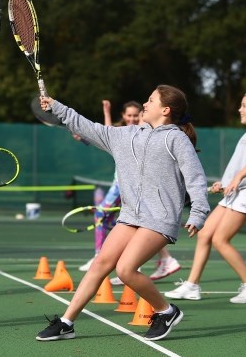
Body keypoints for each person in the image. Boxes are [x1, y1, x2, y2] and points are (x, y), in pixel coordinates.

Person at [36, 85, 209, 341]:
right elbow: (89, 128)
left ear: (165, 110)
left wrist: (198, 213)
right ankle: (66, 322)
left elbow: (196, 178)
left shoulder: (176, 139)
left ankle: (166, 311)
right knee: (100, 265)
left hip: (160, 219)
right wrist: (57, 107)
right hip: (130, 216)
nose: (145, 104)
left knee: (125, 270)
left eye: (150, 100)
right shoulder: (126, 135)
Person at [165, 91, 246, 304]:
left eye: (244, 105)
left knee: (220, 239)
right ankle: (191, 286)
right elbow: (242, 165)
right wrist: (225, 183)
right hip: (234, 192)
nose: (239, 109)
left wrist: (237, 178)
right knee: (205, 233)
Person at [79, 100, 181, 284]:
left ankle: (104, 258)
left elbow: (106, 132)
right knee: (135, 223)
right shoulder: (124, 132)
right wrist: (86, 134)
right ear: (124, 116)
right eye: (129, 115)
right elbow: (105, 134)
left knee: (104, 215)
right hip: (123, 184)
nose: (133, 118)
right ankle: (160, 259)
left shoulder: (145, 130)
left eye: (136, 115)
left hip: (127, 185)